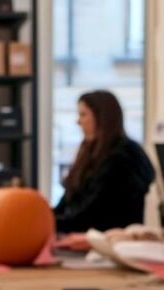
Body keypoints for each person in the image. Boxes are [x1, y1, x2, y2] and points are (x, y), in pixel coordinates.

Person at [53, 90, 155, 248]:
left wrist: (48, 224)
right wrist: (43, 218)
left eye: (83, 115)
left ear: (102, 117)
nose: (78, 122)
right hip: (81, 240)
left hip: (109, 246)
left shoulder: (122, 157)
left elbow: (91, 213)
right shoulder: (89, 153)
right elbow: (68, 201)